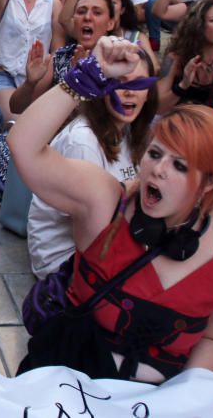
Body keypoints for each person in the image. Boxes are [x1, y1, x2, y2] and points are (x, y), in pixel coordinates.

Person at [9, 36, 213, 383]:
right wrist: (87, 75)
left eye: (180, 166)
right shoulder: (104, 203)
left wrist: (180, 399)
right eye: (155, 155)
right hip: (73, 388)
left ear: (209, 184)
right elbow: (24, 145)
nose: (158, 170)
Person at [27, 49, 156, 278]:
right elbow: (92, 233)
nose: (129, 92)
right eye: (119, 82)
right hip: (65, 258)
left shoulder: (131, 131)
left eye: (138, 84)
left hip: (106, 238)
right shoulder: (84, 141)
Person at [155, 0, 213, 113]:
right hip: (180, 122)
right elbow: (157, 108)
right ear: (199, 25)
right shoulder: (176, 58)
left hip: (209, 123)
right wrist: (183, 85)